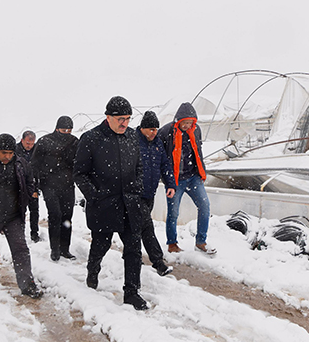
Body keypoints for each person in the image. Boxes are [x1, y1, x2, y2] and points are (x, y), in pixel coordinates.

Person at [73, 96, 148, 311]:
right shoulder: (91, 138)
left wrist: (137, 187)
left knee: (134, 248)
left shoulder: (132, 136)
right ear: (108, 117)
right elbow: (79, 173)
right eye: (120, 119)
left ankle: (132, 292)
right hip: (104, 204)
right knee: (101, 245)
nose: (124, 123)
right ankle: (92, 269)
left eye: (127, 118)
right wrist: (94, 195)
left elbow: (139, 166)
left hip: (130, 203)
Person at [0, 134, 43, 298]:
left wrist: (25, 198)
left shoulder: (20, 163)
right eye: (3, 152)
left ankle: (27, 284)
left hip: (13, 216)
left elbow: (29, 182)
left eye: (10, 153)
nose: (7, 156)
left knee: (21, 249)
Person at [158, 102, 216, 255]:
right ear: (178, 120)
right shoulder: (165, 132)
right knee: (173, 213)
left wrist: (202, 171)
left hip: (193, 177)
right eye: (185, 122)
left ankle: (201, 242)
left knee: (204, 206)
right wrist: (166, 179)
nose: (187, 125)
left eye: (190, 122)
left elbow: (198, 151)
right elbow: (160, 158)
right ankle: (172, 243)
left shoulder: (196, 131)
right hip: (174, 181)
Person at [32, 116, 79, 261]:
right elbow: (34, 164)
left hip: (67, 185)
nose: (66, 133)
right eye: (63, 129)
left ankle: (65, 248)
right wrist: (35, 184)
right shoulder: (45, 141)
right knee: (55, 215)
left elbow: (80, 162)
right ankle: (55, 249)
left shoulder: (74, 142)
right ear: (57, 128)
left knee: (67, 217)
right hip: (49, 184)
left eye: (69, 130)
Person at [137, 111, 176, 276]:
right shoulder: (132, 141)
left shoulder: (158, 143)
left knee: (136, 228)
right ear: (143, 128)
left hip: (149, 193)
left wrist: (170, 184)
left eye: (156, 129)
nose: (154, 132)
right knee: (146, 226)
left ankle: (132, 256)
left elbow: (165, 165)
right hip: (135, 193)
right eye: (151, 129)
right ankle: (158, 262)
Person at [15, 130, 41, 242]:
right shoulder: (15, 150)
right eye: (27, 143)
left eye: (32, 144)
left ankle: (34, 233)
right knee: (20, 211)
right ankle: (19, 233)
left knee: (34, 211)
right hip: (19, 185)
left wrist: (36, 188)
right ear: (22, 140)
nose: (29, 146)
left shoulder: (36, 150)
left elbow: (39, 169)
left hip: (33, 184)